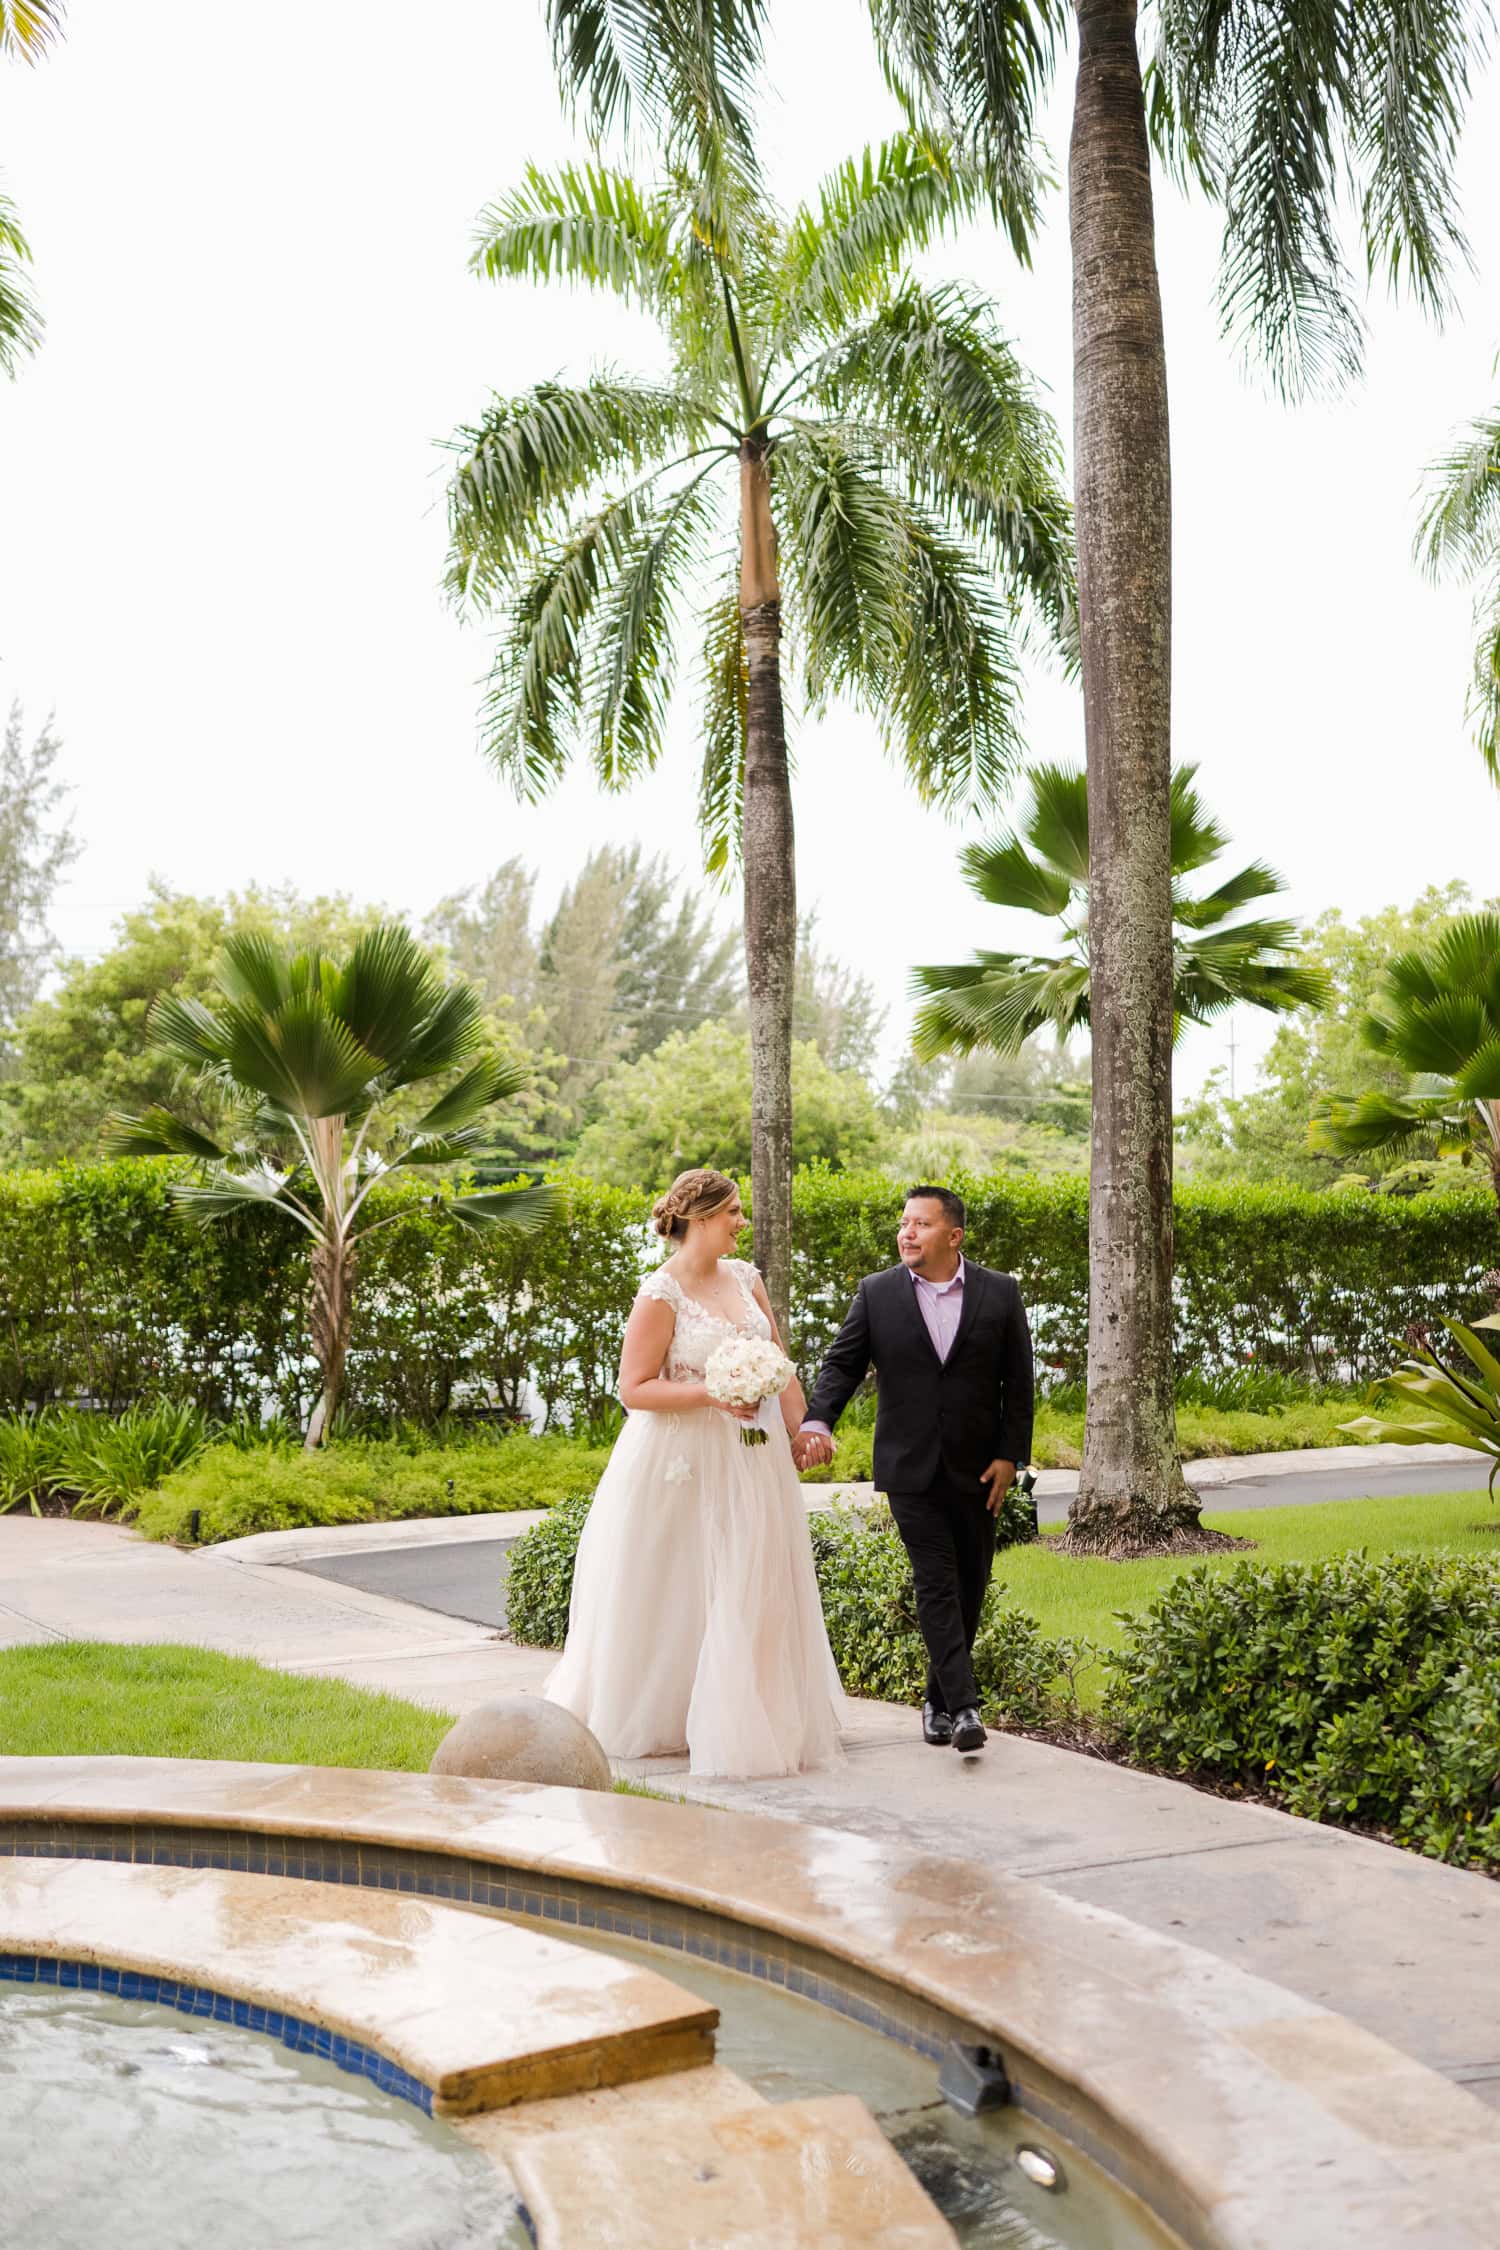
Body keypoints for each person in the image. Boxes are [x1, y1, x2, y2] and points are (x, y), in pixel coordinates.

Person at [544, 1167, 844, 1779]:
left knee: (750, 1575)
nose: (741, 1222)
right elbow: (634, 1389)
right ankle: (668, 1713)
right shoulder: (660, 1292)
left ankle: (750, 1707)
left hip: (753, 1459)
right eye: (733, 1212)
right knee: (680, 1580)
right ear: (701, 1218)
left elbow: (777, 1364)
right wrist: (711, 1394)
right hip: (679, 1461)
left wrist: (806, 1428)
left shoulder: (747, 1278)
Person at [794, 1185, 1033, 1755]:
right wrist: (818, 1422)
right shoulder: (876, 1294)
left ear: (953, 1235)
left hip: (980, 1470)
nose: (906, 1233)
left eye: (920, 1224)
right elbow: (842, 1364)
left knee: (970, 1584)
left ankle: (937, 1700)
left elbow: (1018, 1383)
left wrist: (1010, 1455)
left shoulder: (1000, 1293)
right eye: (904, 1223)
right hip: (908, 1467)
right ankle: (967, 1707)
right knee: (935, 1582)